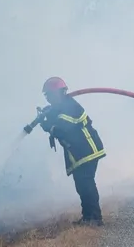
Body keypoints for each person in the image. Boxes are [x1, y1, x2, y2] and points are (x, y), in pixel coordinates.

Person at [25, 77, 106, 226]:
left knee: (86, 184)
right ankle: (88, 217)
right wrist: (47, 117)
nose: (48, 98)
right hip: (78, 152)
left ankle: (95, 217)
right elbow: (57, 121)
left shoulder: (70, 106)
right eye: (46, 95)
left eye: (50, 94)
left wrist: (48, 125)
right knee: (81, 185)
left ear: (59, 93)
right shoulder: (59, 108)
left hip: (87, 150)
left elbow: (62, 129)